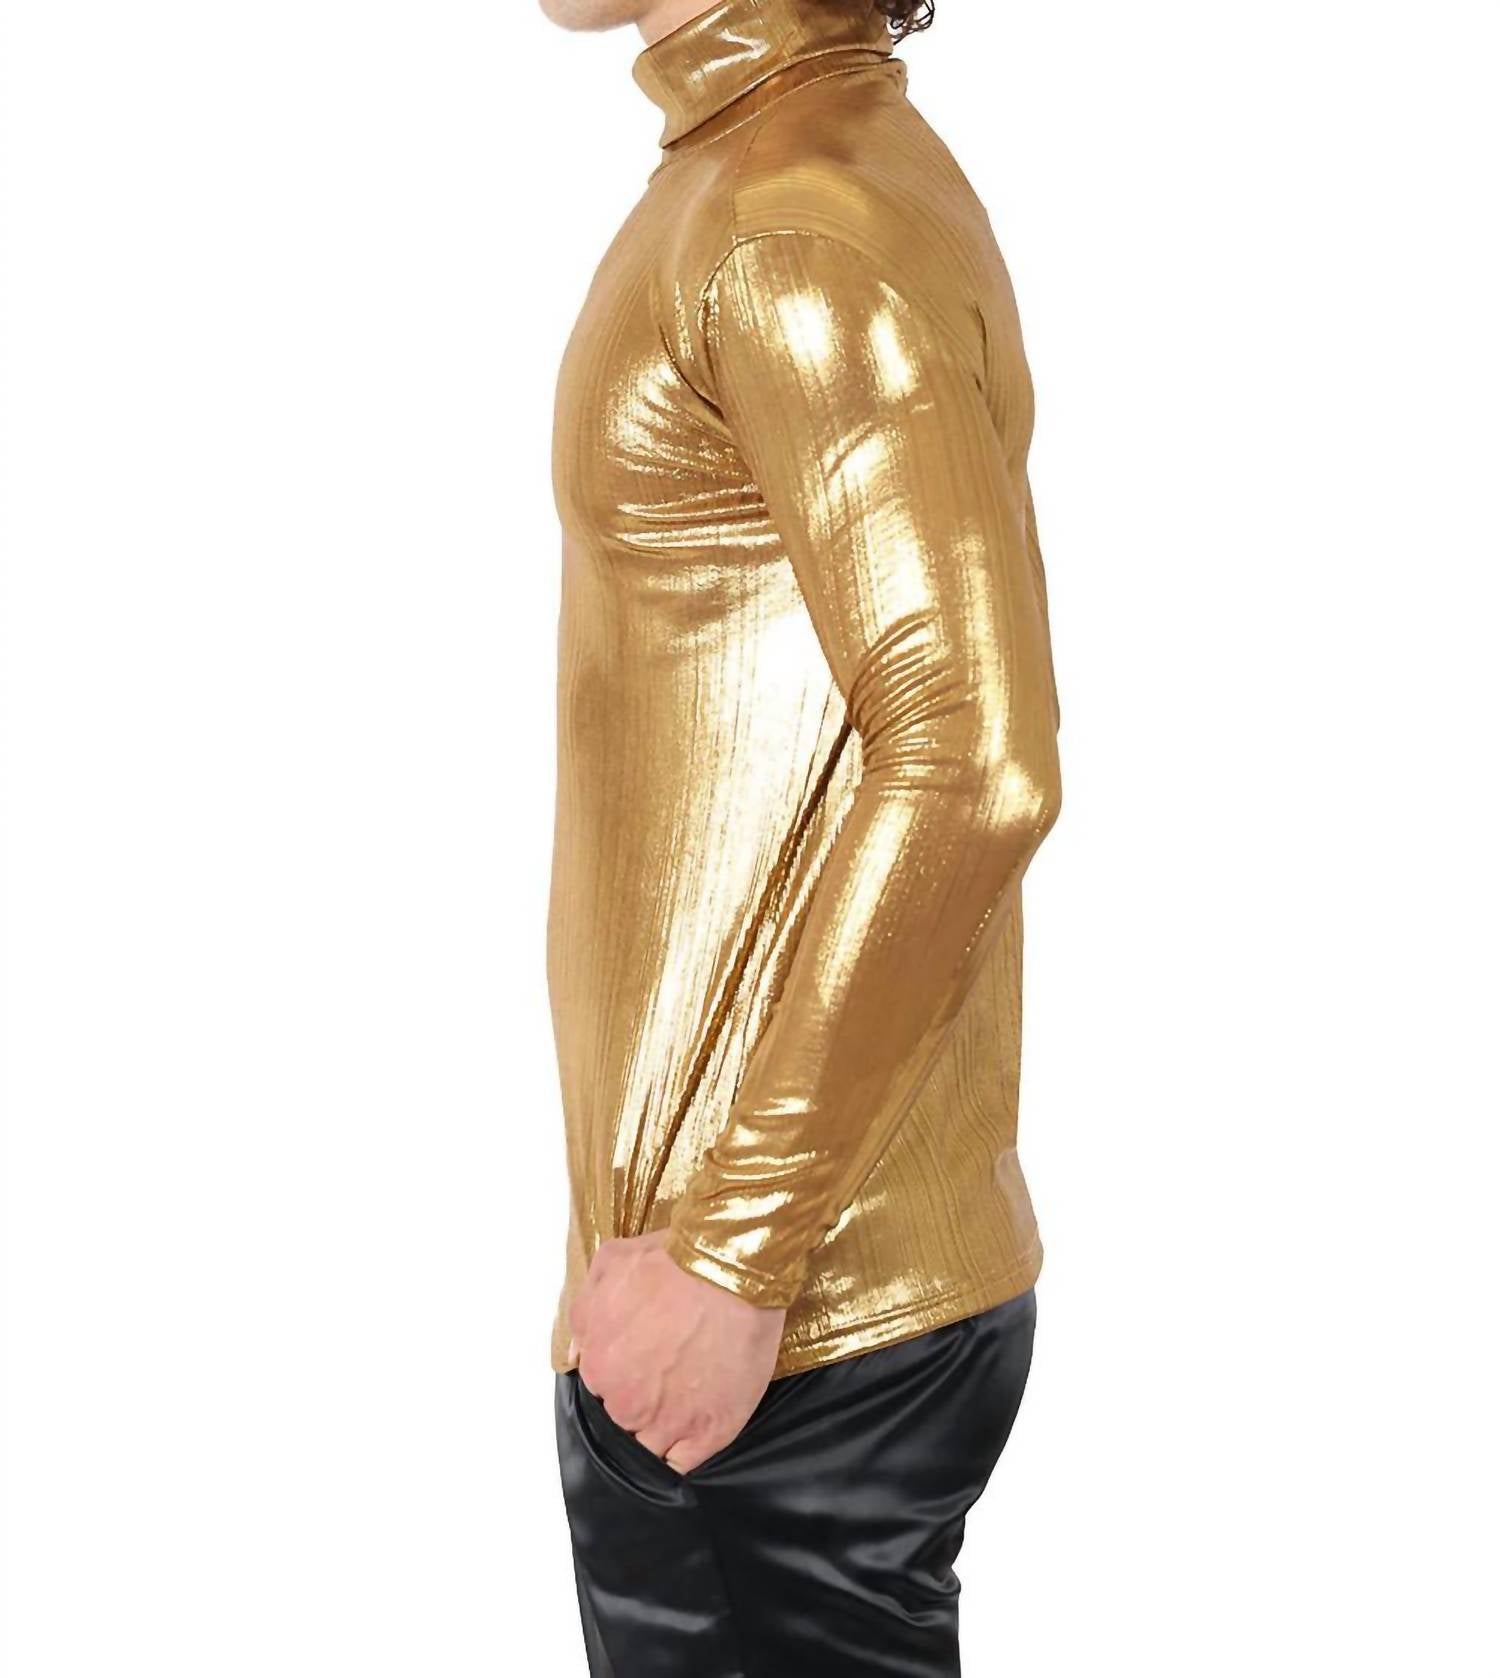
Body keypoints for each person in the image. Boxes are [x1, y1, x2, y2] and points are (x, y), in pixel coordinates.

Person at [540, 0, 1063, 1668]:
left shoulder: (787, 222)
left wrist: (733, 1248)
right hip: (758, 1313)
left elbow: (973, 755)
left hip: (775, 1328)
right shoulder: (777, 171)